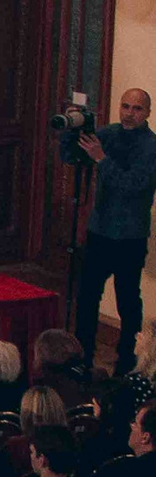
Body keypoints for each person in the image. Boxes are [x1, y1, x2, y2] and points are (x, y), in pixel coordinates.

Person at [73, 87, 156, 362]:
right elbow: (73, 156)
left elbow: (132, 185)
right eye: (125, 106)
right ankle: (83, 355)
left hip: (130, 236)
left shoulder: (151, 146)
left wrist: (101, 159)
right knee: (87, 296)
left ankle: (127, 360)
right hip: (99, 230)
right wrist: (73, 130)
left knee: (127, 300)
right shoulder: (108, 134)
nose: (129, 114)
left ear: (147, 113)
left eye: (137, 108)